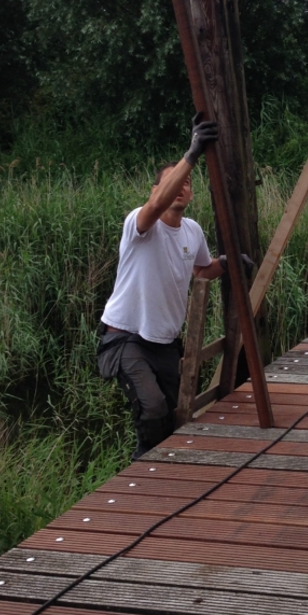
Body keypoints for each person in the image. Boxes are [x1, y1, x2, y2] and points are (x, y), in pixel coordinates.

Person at [97, 113, 226, 456]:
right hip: (125, 337)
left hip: (165, 343)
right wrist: (192, 153)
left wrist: (226, 265)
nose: (182, 187)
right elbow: (155, 206)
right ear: (156, 190)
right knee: (152, 408)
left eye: (187, 183)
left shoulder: (193, 231)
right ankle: (141, 469)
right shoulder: (140, 224)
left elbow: (201, 271)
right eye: (173, 181)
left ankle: (158, 470)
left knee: (171, 416)